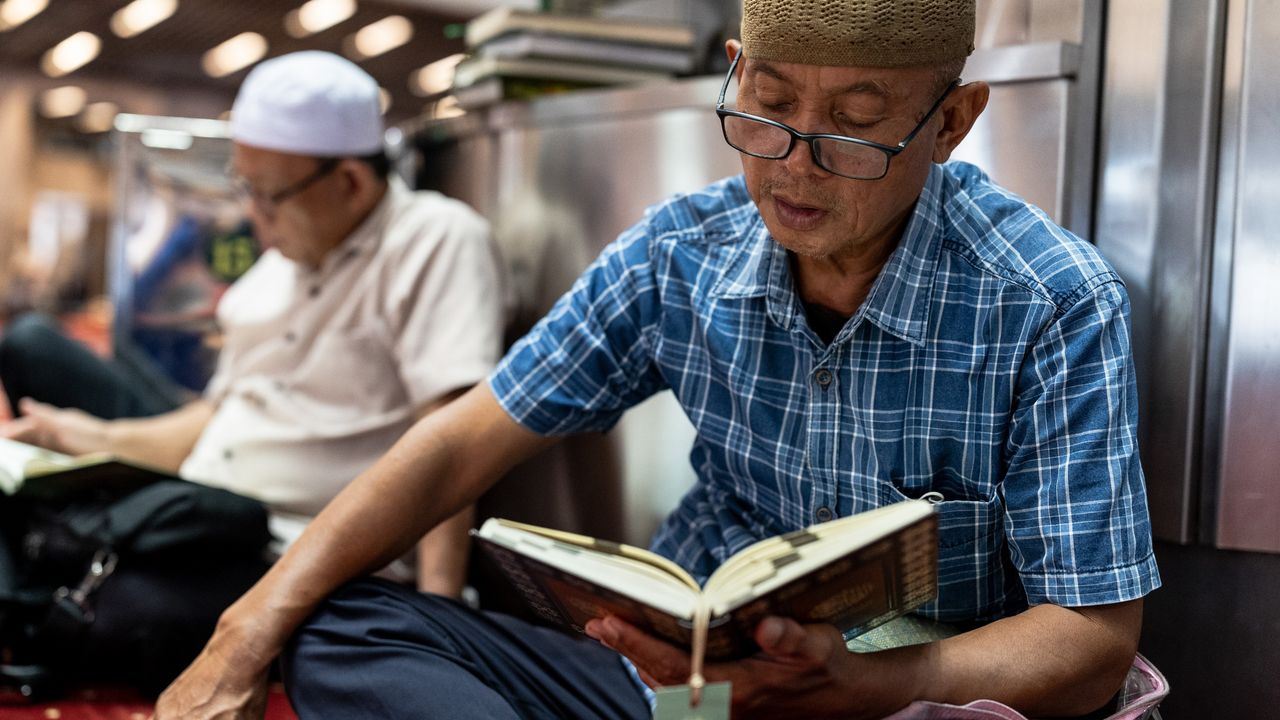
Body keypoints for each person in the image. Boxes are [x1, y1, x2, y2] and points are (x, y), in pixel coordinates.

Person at [155, 2, 1161, 718]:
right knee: (341, 624)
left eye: (852, 131)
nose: (790, 167)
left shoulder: (1047, 301)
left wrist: (868, 688)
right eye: (763, 108)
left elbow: (1089, 640)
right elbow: (457, 444)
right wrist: (242, 633)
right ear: (733, 69)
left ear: (950, 121)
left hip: (900, 698)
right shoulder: (680, 253)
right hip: (672, 686)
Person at [0, 51, 503, 689]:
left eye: (269, 196)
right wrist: (83, 439)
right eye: (247, 189)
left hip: (284, 545)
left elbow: (454, 438)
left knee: (122, 617)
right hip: (204, 489)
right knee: (33, 343)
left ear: (349, 181)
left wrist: (439, 615)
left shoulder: (435, 240)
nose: (254, 218)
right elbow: (216, 423)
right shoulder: (284, 258)